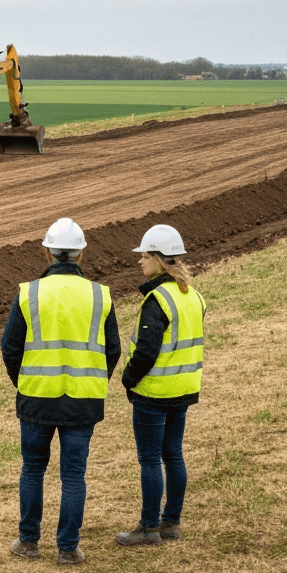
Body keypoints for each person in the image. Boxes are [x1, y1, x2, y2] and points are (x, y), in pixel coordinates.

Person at [2, 218, 121, 566]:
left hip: (37, 396)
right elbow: (112, 350)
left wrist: (25, 382)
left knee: (33, 469)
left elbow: (10, 349)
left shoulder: (30, 292)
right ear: (81, 253)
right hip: (83, 401)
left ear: (47, 251)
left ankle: (28, 542)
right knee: (73, 475)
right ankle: (68, 549)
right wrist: (94, 381)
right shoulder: (100, 295)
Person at [114, 224, 206, 547]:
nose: (140, 260)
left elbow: (147, 351)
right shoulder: (192, 296)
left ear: (158, 259)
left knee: (151, 459)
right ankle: (172, 523)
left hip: (154, 393)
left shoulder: (157, 299)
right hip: (183, 390)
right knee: (173, 454)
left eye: (144, 255)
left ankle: (149, 527)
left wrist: (128, 379)